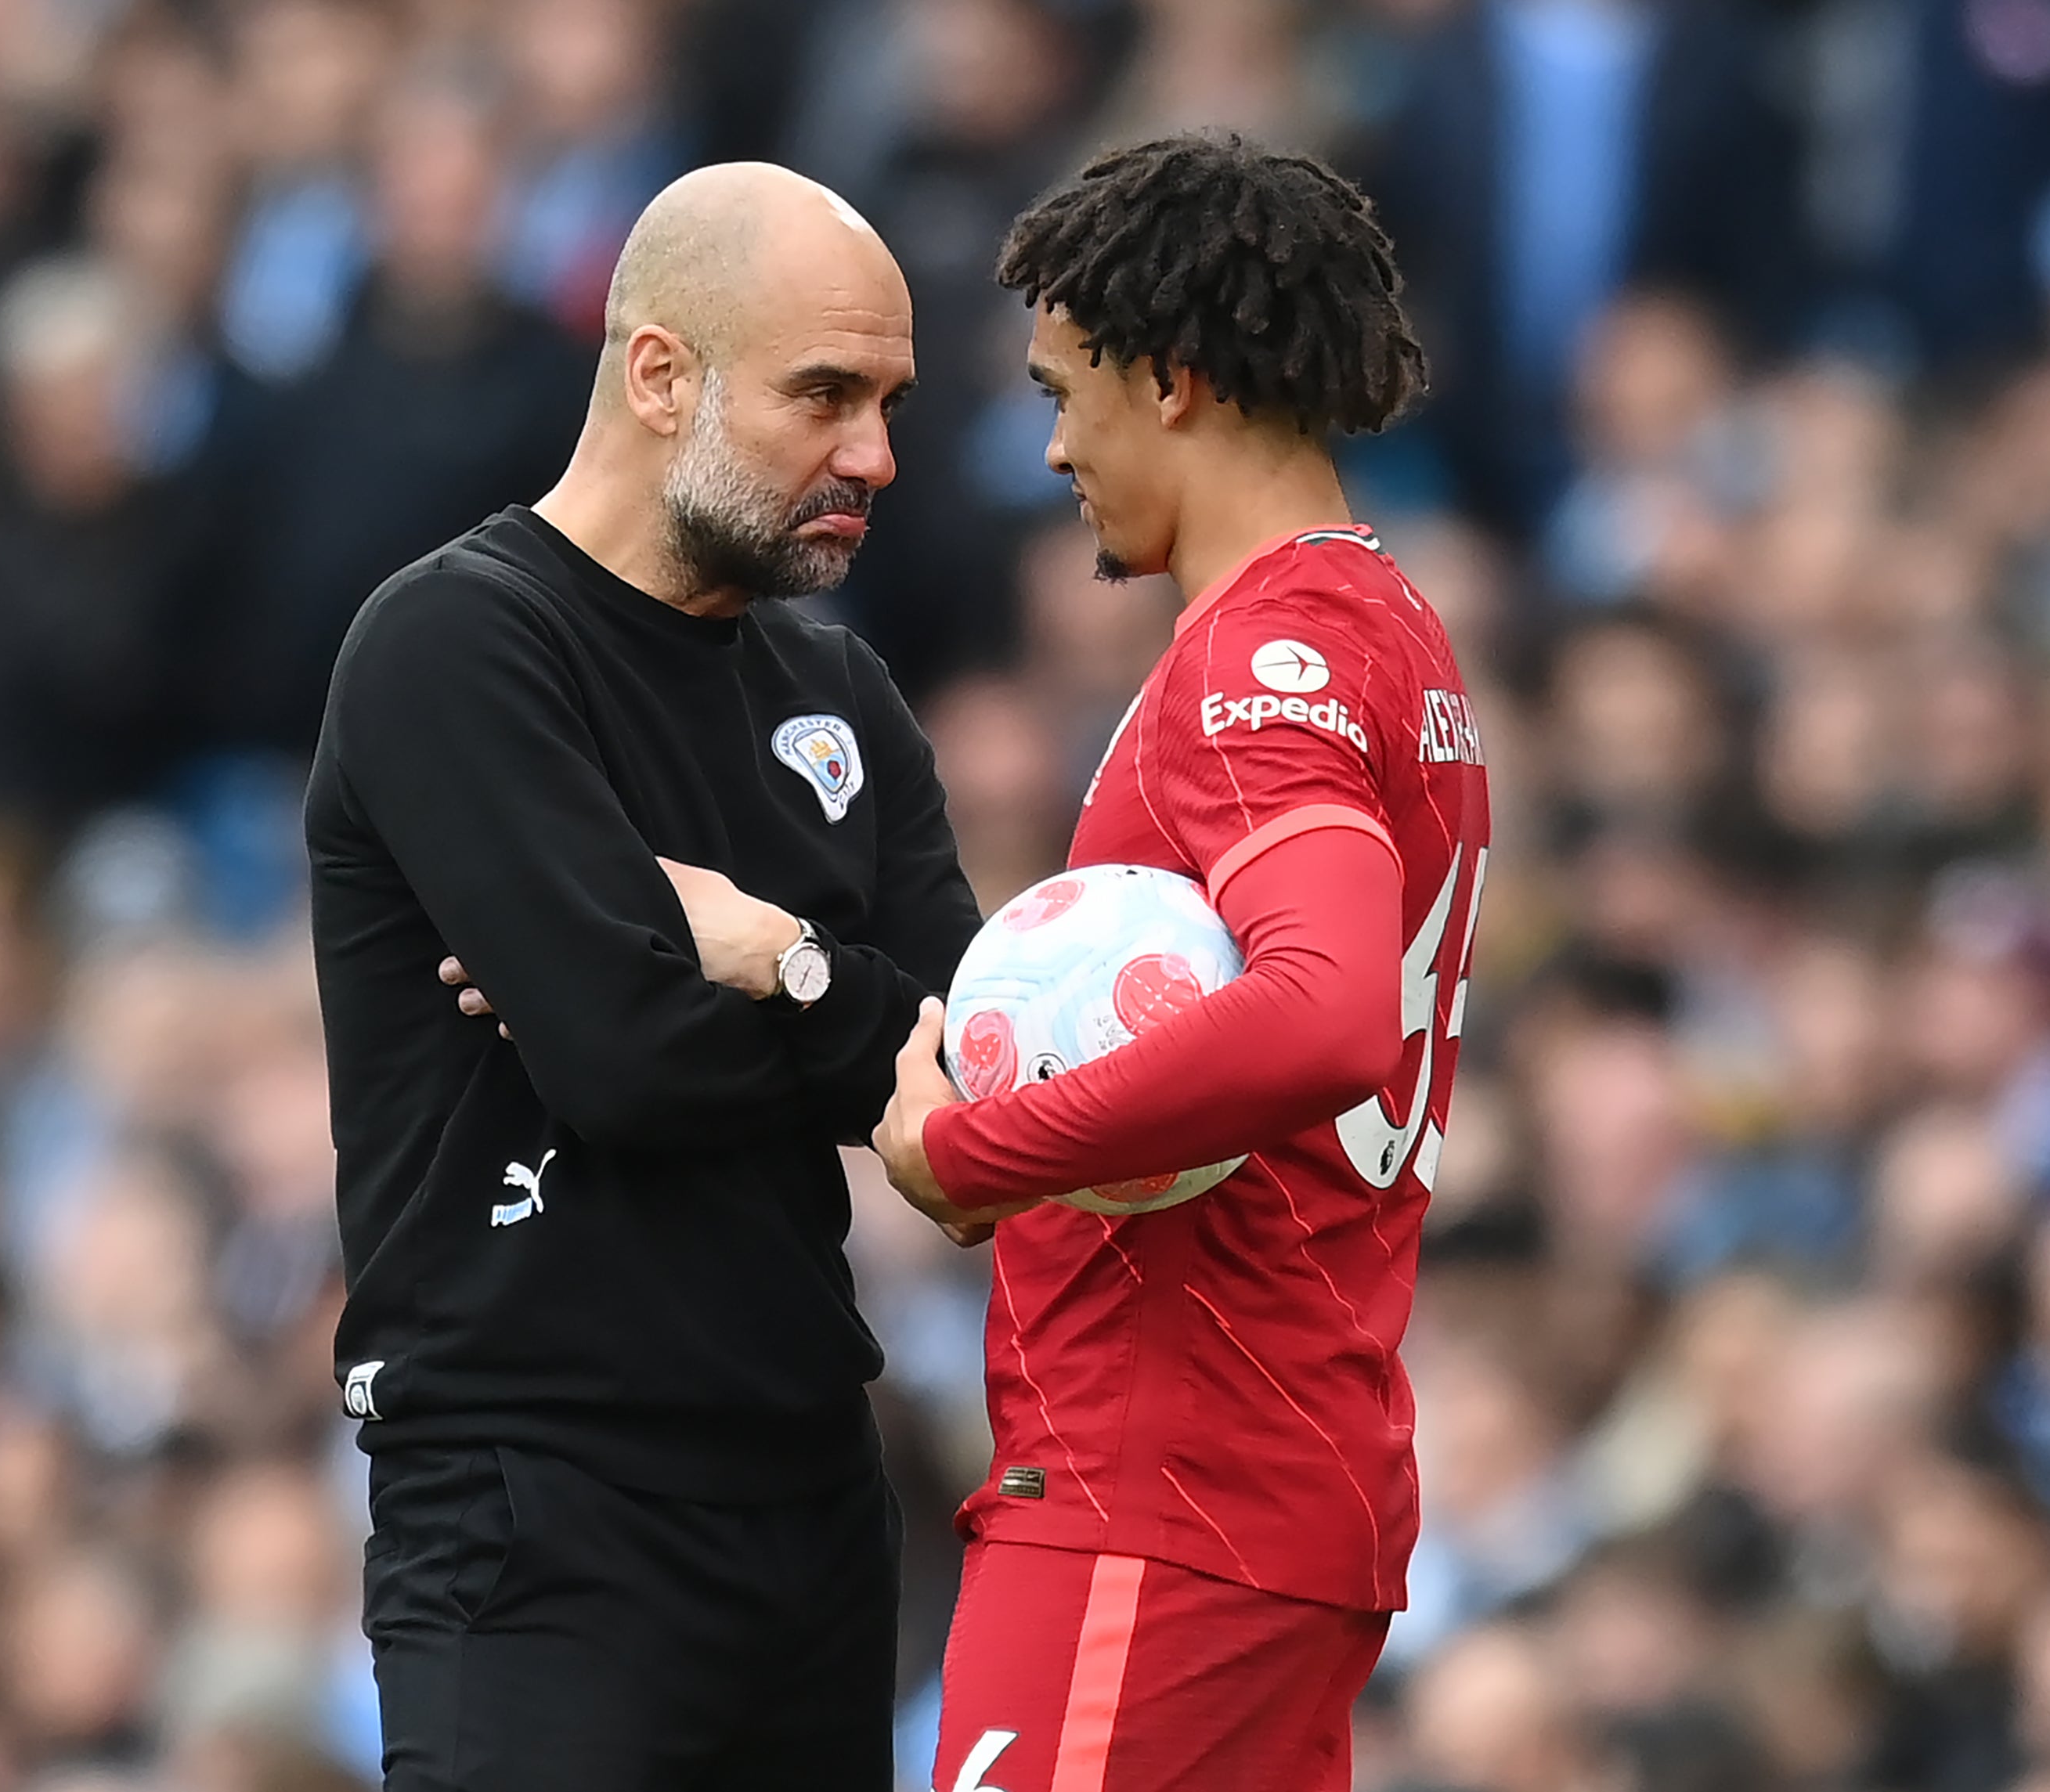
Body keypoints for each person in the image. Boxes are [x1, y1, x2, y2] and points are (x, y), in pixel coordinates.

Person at [305, 163, 981, 1790]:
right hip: (540, 1500)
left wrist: (778, 959)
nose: (873, 454)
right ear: (658, 371)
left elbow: (981, 1072)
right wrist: (834, 1019)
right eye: (825, 393)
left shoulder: (837, 684)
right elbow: (624, 1062)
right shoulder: (458, 644)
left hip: (815, 1499)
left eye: (887, 400)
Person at [870, 135, 1488, 1791]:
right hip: (1261, 1474)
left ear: (1177, 381)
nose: (1053, 444)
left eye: (1067, 390)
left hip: (1168, 1487)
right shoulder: (1383, 630)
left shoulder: (1255, 662)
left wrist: (971, 1150)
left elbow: (1319, 1007)